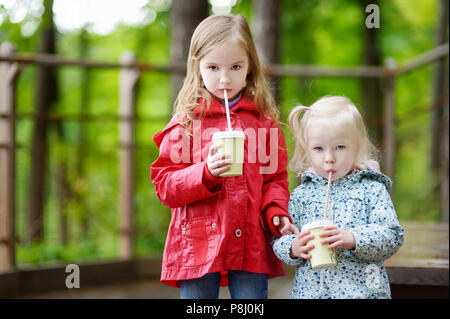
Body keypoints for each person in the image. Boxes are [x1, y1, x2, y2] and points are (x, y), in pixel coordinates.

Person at [151, 14, 298, 299]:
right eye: (213, 67)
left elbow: (275, 180)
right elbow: (165, 185)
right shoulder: (186, 124)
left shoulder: (263, 122)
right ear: (197, 67)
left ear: (249, 67)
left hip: (251, 241)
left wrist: (276, 212)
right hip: (196, 244)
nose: (224, 78)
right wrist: (206, 173)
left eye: (235, 67)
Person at [272, 96, 404, 299]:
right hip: (311, 293)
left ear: (357, 147)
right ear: (306, 150)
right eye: (318, 149)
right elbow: (279, 237)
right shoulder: (301, 195)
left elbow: (392, 236)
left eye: (340, 147)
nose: (329, 158)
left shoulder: (372, 189)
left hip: (364, 293)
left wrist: (352, 239)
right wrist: (292, 248)